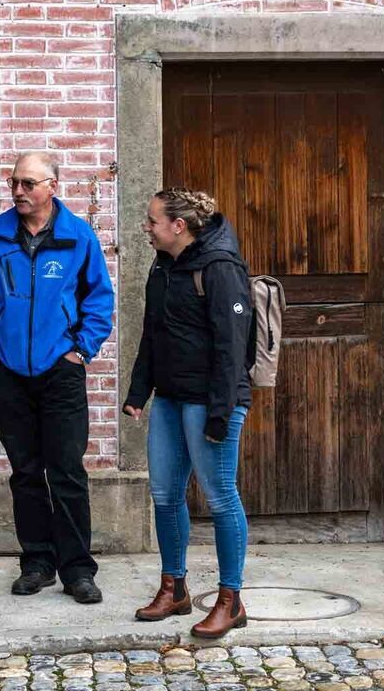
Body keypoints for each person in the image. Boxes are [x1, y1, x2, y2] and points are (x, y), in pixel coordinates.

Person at [0, 151, 115, 605]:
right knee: (25, 472)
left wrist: (80, 350)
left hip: (60, 371)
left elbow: (99, 300)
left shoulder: (77, 236)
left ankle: (77, 570)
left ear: (52, 187)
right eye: (14, 183)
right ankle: (37, 563)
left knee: (67, 471)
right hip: (7, 371)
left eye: (28, 183)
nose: (18, 191)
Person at [123, 187, 253, 638]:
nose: (146, 227)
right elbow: (152, 333)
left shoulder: (220, 267)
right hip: (170, 399)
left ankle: (230, 600)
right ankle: (173, 588)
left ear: (178, 226)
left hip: (211, 402)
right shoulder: (162, 266)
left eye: (152, 220)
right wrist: (139, 391)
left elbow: (233, 347)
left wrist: (220, 414)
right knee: (164, 494)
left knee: (220, 497)